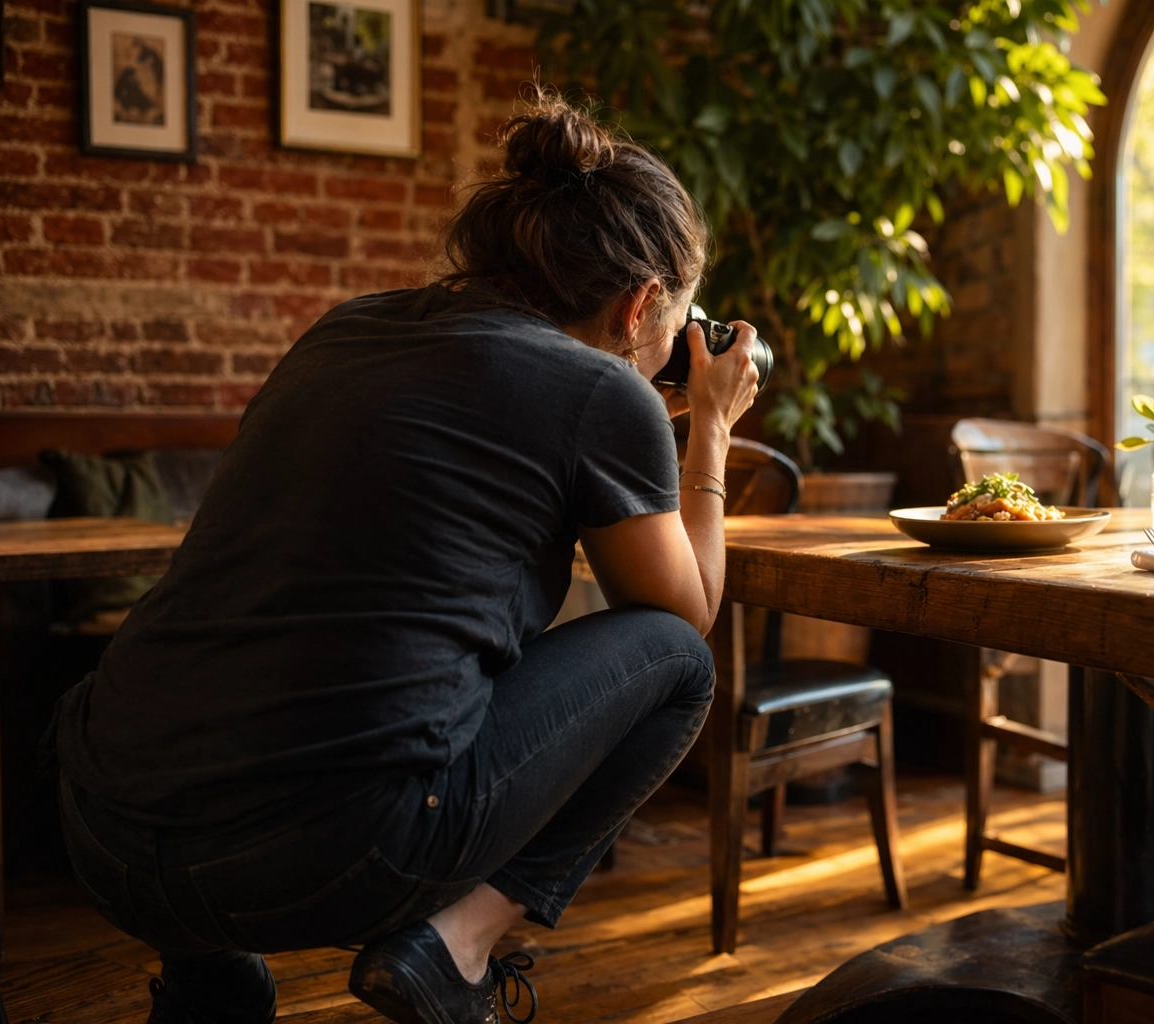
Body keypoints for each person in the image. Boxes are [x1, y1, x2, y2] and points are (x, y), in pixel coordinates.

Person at [46, 93, 760, 1024]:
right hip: (328, 857)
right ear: (637, 308)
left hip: (100, 830)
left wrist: (631, 432)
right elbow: (684, 609)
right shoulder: (599, 394)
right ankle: (453, 948)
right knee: (682, 664)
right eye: (677, 323)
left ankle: (209, 979)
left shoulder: (347, 328)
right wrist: (709, 428)